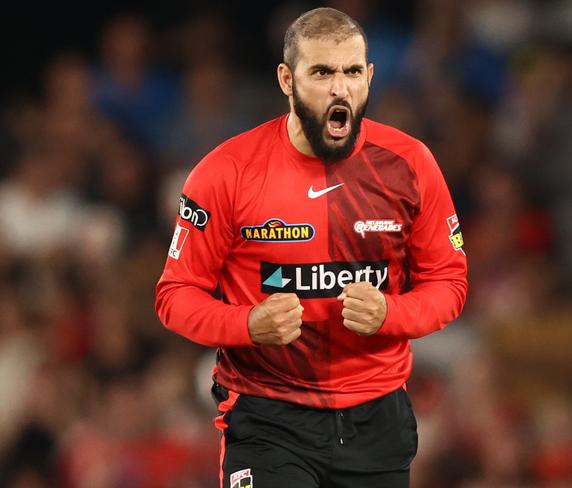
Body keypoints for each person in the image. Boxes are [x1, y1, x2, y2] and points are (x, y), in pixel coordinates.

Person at [155, 7, 467, 488]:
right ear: (286, 79)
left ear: (369, 76)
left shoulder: (411, 164)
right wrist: (247, 324)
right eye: (321, 72)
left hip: (376, 419)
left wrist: (392, 314)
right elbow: (174, 295)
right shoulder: (226, 172)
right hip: (267, 419)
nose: (338, 88)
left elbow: (450, 282)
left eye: (351, 72)